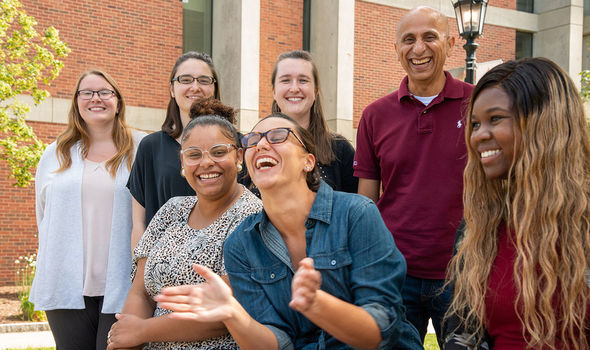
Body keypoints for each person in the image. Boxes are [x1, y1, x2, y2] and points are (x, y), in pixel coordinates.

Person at [154, 113, 422, 349]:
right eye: (253, 139)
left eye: (278, 135)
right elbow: (275, 343)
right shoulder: (242, 244)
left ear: (308, 161)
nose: (261, 144)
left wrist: (317, 305)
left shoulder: (355, 214)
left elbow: (379, 332)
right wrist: (233, 314)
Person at [445, 58, 590, 349]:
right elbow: (462, 333)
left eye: (495, 119)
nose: (478, 136)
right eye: (474, 123)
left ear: (544, 123)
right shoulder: (479, 226)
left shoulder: (582, 224)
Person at [353, 6, 473, 345]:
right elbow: (366, 201)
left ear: (450, 42)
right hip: (395, 274)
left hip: (464, 273)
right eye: (408, 40)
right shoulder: (375, 115)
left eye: (429, 37)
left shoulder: (477, 103)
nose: (418, 49)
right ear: (396, 49)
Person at [106, 115, 262, 350]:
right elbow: (141, 292)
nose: (206, 162)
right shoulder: (171, 210)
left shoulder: (253, 218)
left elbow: (224, 313)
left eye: (219, 152)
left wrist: (140, 331)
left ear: (238, 156)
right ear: (182, 162)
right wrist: (125, 342)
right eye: (194, 154)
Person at [31, 69, 145, 350]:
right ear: (77, 102)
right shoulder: (56, 152)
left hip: (125, 284)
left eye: (105, 92)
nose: (96, 98)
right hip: (66, 284)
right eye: (87, 93)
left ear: (118, 102)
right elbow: (43, 215)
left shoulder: (140, 147)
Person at [127, 51, 221, 249]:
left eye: (203, 80)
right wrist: (140, 274)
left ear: (214, 88)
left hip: (222, 268)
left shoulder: (234, 145)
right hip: (164, 269)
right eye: (185, 79)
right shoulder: (150, 147)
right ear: (172, 89)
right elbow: (139, 223)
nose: (195, 87)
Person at [270, 50, 357, 193]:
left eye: (303, 80)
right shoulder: (256, 148)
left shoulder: (340, 150)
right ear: (274, 91)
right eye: (285, 80)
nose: (294, 88)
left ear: (315, 91)